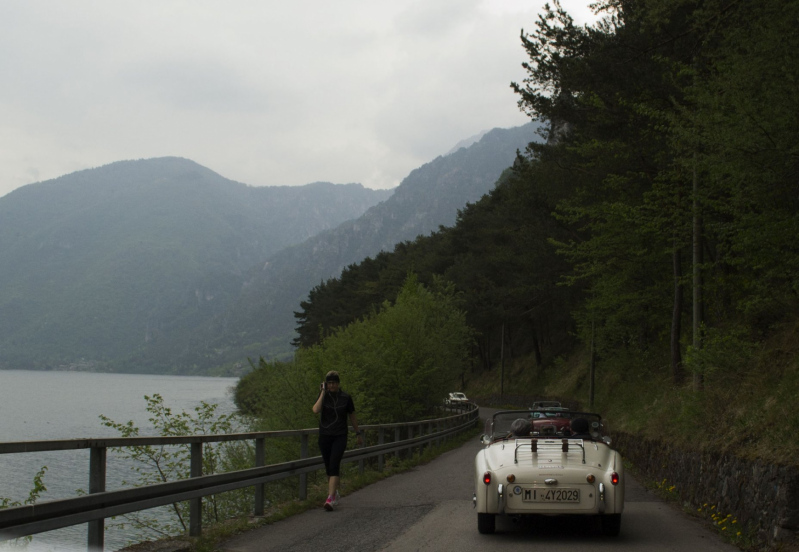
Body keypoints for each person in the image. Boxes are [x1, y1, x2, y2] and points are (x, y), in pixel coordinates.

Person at [312, 370, 363, 511]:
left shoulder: (346, 398)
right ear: (326, 384)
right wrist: (323, 392)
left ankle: (330, 499)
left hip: (340, 435)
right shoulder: (324, 396)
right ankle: (334, 493)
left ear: (338, 383)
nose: (332, 385)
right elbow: (315, 410)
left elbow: (352, 416)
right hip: (325, 436)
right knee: (328, 467)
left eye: (334, 383)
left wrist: (358, 433)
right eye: (329, 383)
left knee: (334, 464)